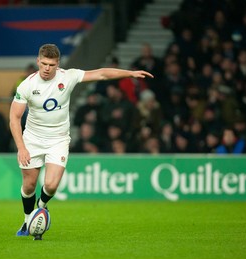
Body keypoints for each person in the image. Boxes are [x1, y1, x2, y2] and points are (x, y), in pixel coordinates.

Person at [9, 43, 153, 239]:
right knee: (29, 185)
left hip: (58, 139)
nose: (47, 68)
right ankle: (28, 221)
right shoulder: (27, 85)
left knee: (50, 185)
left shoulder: (68, 76)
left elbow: (101, 74)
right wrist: (21, 147)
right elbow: (14, 118)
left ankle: (40, 209)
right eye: (43, 63)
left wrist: (129, 73)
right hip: (33, 139)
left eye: (51, 64)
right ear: (38, 61)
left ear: (57, 63)